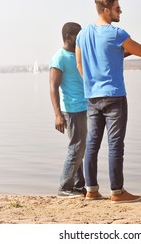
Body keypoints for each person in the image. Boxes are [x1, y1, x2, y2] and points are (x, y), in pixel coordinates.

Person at [76, 0, 141, 204]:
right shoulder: (116, 33)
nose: (120, 11)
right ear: (106, 10)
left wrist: (91, 83)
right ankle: (117, 191)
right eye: (117, 8)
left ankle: (91, 190)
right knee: (115, 145)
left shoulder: (82, 34)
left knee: (92, 144)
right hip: (114, 96)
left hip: (92, 96)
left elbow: (81, 64)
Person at [49, 22, 87, 198]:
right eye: (78, 35)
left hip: (85, 106)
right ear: (69, 37)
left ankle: (79, 187)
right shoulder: (59, 58)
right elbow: (53, 87)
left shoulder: (78, 54)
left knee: (81, 149)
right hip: (71, 109)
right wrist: (57, 114)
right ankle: (64, 188)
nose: (80, 38)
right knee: (76, 148)